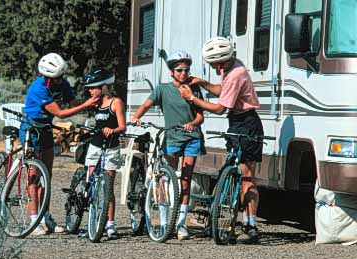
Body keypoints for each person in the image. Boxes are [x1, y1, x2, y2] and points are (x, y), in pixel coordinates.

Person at [178, 37, 263, 242]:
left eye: (216, 65)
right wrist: (204, 83)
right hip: (235, 120)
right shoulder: (230, 66)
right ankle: (228, 222)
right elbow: (223, 92)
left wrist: (192, 98)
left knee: (246, 175)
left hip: (248, 121)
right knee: (230, 170)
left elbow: (219, 108)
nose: (215, 68)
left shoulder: (237, 73)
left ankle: (251, 224)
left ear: (223, 60)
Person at [19, 53, 100, 236]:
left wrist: (94, 100)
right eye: (56, 78)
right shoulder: (38, 88)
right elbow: (61, 113)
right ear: (48, 77)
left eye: (61, 76)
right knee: (33, 175)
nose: (60, 80)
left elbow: (72, 102)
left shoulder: (61, 83)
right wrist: (87, 104)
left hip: (46, 128)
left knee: (46, 176)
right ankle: (34, 220)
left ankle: (45, 216)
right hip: (32, 129)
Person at [131, 50, 205, 240]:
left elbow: (200, 116)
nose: (183, 73)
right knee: (164, 178)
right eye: (179, 70)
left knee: (186, 180)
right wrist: (136, 117)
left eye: (186, 70)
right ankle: (165, 223)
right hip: (172, 137)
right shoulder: (162, 89)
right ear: (172, 72)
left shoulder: (193, 89)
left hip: (192, 137)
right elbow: (146, 104)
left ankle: (181, 225)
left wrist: (193, 123)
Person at [83, 69, 126, 240]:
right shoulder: (94, 103)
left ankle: (110, 224)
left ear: (104, 87)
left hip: (111, 146)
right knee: (91, 184)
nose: (90, 90)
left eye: (93, 87)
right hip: (95, 145)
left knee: (108, 188)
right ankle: (91, 221)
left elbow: (123, 127)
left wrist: (113, 129)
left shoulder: (116, 102)